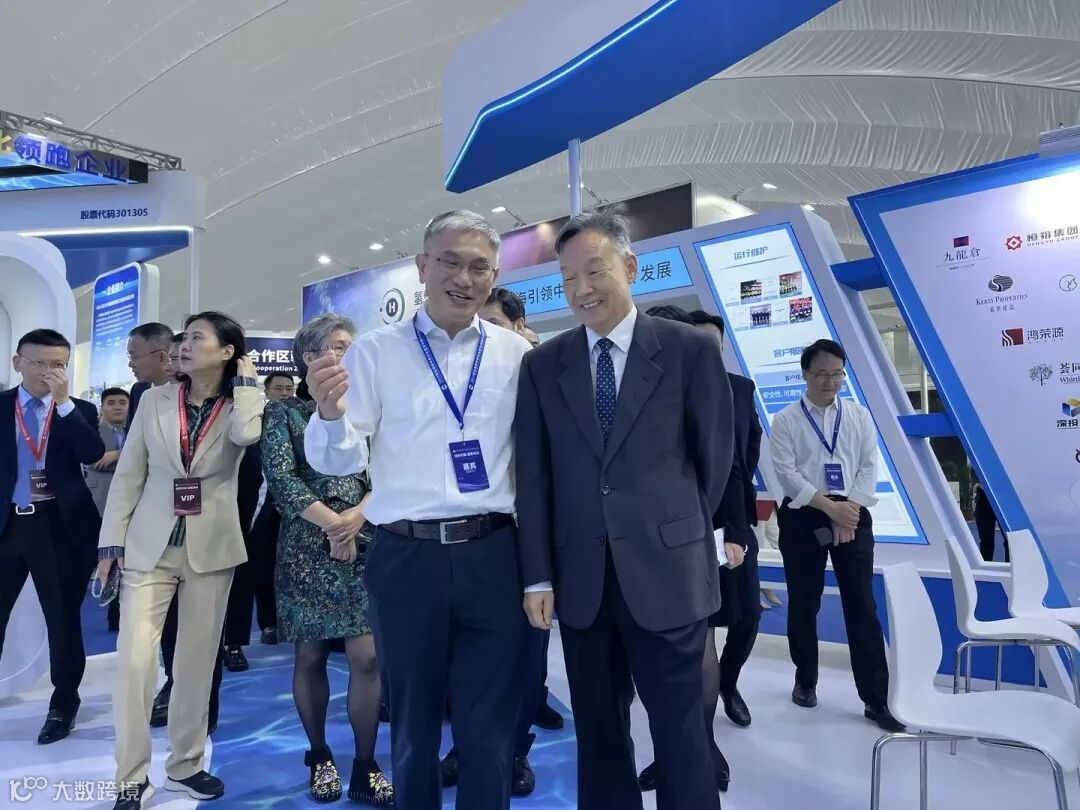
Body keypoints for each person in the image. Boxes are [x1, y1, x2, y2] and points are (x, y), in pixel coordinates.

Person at [305, 210, 531, 810]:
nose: (464, 278)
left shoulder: (516, 355)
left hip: (494, 553)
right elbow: (338, 460)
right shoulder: (376, 354)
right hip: (407, 556)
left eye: (479, 267)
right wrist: (329, 415)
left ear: (495, 275)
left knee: (489, 728)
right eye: (450, 262)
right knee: (413, 723)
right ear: (423, 266)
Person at [515, 209, 734, 810]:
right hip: (582, 582)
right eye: (568, 278)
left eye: (595, 271)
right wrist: (538, 575)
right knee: (599, 732)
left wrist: (668, 530)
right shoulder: (543, 365)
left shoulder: (689, 350)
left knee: (682, 733)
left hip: (669, 575)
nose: (581, 289)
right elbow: (534, 479)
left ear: (630, 268)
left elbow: (713, 463)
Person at [96, 311, 263, 808]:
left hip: (212, 549)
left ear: (227, 351)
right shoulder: (154, 400)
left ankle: (186, 765)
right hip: (149, 546)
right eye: (183, 338)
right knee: (135, 662)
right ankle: (130, 776)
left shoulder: (243, 404)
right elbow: (130, 474)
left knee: (195, 663)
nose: (183, 346)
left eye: (196, 338)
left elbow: (246, 437)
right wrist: (111, 545)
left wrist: (247, 383)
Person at [264, 316, 393, 805]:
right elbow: (283, 480)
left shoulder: (370, 409)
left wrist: (356, 519)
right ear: (309, 357)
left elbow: (388, 472)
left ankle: (365, 763)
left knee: (368, 657)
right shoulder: (284, 413)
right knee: (310, 655)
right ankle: (319, 755)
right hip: (306, 546)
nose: (347, 354)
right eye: (337, 346)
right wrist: (333, 525)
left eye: (350, 346)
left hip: (367, 539)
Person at [634, 304, 758, 794]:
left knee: (700, 645)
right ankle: (674, 753)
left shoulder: (711, 387)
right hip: (640, 546)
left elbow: (730, 466)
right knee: (659, 662)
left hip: (699, 538)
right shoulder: (627, 385)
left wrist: (734, 531)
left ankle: (702, 749)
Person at [768, 338, 902, 732]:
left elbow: (868, 466)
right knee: (804, 601)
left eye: (837, 374)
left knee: (861, 604)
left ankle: (876, 698)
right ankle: (805, 680)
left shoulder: (858, 415)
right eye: (822, 374)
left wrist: (849, 512)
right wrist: (830, 509)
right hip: (805, 515)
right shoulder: (786, 420)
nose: (830, 382)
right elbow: (786, 473)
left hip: (852, 512)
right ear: (805, 375)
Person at [0, 329, 106, 745]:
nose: (48, 371)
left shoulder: (78, 409)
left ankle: (63, 704)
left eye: (58, 364)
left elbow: (92, 453)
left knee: (63, 621)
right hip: (7, 526)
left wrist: (63, 404)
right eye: (39, 363)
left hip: (59, 527)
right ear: (18, 363)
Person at [85, 387, 130, 517]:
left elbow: (146, 459)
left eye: (122, 403)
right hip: (100, 498)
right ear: (102, 408)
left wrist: (117, 455)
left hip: (133, 497)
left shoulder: (139, 431)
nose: (117, 407)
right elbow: (95, 462)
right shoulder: (91, 432)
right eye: (111, 403)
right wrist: (131, 461)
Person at [974, 480, 1007, 562]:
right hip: (984, 496)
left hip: (1005, 495)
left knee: (1010, 540)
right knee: (986, 543)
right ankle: (985, 568)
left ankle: (1014, 568)